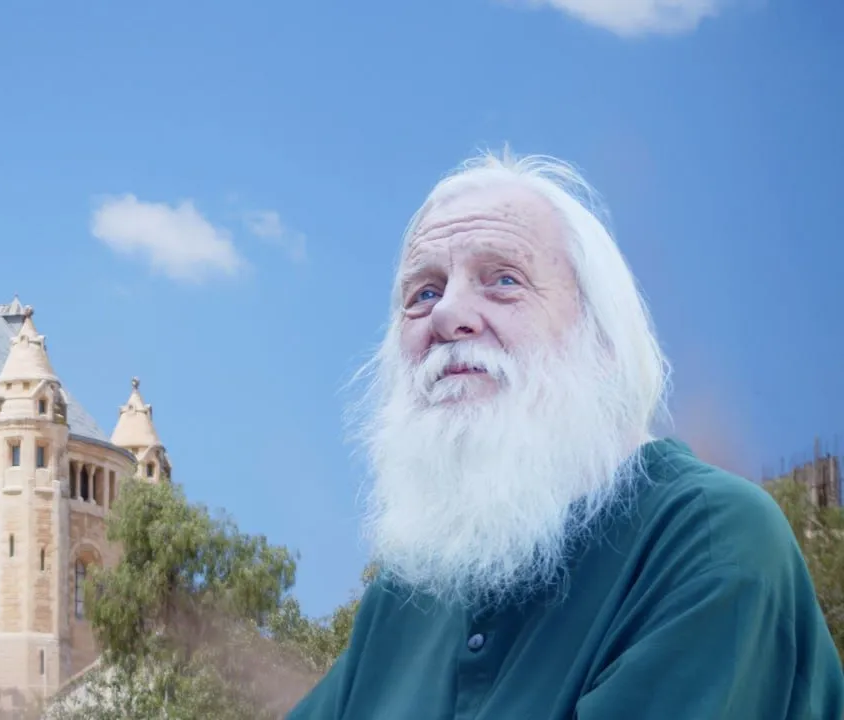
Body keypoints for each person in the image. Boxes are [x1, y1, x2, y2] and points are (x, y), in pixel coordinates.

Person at [287, 151, 844, 719]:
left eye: (504, 280)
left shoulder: (708, 539)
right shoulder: (409, 589)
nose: (447, 315)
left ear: (602, 339)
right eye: (424, 293)